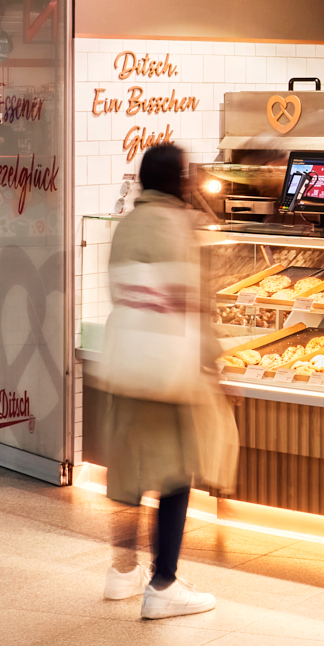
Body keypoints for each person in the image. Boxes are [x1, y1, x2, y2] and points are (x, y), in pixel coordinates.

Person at [95, 142, 234, 619]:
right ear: (179, 179)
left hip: (124, 361)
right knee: (177, 472)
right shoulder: (180, 227)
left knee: (129, 472)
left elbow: (118, 290)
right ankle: (164, 583)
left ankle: (121, 572)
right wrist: (213, 362)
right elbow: (195, 302)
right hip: (169, 368)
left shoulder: (127, 224)